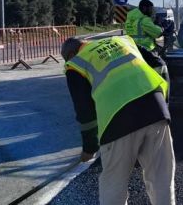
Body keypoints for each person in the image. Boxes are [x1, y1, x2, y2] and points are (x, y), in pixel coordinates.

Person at [61, 35, 175, 205]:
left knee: (114, 183)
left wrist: (89, 148)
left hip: (117, 121)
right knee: (161, 178)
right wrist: (161, 100)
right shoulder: (122, 41)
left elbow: (85, 113)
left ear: (70, 54)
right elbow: (160, 65)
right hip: (155, 111)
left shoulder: (76, 64)